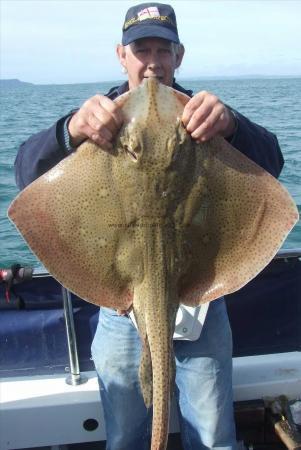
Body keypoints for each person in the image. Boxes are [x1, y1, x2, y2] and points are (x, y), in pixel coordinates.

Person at [14, 3, 284, 449]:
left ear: (180, 56)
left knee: (214, 436)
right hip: (122, 302)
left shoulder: (202, 118)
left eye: (165, 49)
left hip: (201, 300)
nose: (154, 63)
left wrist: (232, 125)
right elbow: (27, 172)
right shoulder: (100, 120)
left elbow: (270, 164)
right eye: (143, 50)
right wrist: (70, 130)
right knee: (124, 436)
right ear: (122, 55)